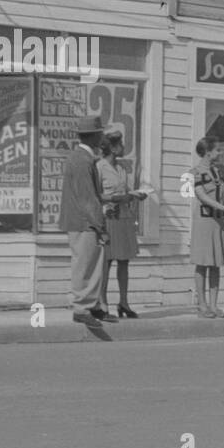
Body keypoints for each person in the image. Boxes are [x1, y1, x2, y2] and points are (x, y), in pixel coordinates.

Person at [59, 112, 109, 325]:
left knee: (92, 263)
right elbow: (88, 198)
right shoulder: (82, 160)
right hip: (84, 221)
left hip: (81, 219)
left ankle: (93, 306)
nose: (102, 138)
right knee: (85, 264)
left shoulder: (81, 157)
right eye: (100, 134)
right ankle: (82, 307)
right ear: (94, 136)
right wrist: (100, 225)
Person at [96, 123, 146, 319]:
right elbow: (96, 195)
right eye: (121, 144)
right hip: (109, 218)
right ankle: (103, 303)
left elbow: (124, 191)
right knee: (106, 262)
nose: (123, 147)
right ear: (113, 147)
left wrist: (134, 195)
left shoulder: (121, 168)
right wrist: (117, 198)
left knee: (124, 262)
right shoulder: (99, 167)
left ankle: (124, 303)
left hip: (124, 218)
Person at [190, 135, 224, 318]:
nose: (220, 153)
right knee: (203, 262)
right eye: (217, 150)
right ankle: (202, 305)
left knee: (216, 263)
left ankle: (214, 305)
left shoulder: (220, 170)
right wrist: (223, 207)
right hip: (204, 222)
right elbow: (201, 195)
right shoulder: (196, 172)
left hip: (219, 222)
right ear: (207, 153)